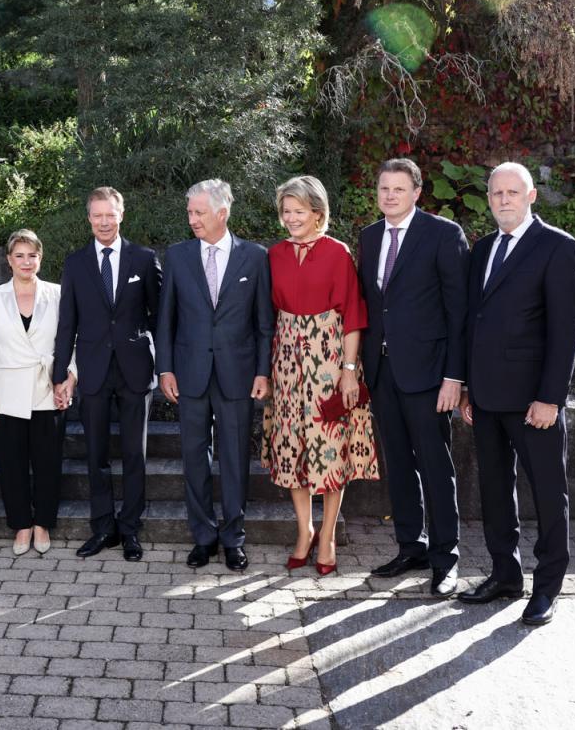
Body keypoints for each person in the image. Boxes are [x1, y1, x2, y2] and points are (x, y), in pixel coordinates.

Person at [458, 162, 575, 626]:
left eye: (513, 192)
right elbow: (476, 323)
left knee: (549, 494)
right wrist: (470, 388)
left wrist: (551, 398)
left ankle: (547, 587)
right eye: (496, 193)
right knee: (494, 491)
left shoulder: (557, 247)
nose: (504, 199)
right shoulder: (484, 248)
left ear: (532, 196)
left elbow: (564, 331)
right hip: (487, 399)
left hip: (535, 402)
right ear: (489, 198)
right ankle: (505, 574)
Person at [358, 158, 469, 597]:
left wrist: (454, 376)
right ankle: (412, 546)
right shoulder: (369, 237)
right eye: (384, 188)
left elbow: (458, 312)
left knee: (436, 466)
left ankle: (446, 559)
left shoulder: (443, 235)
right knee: (399, 465)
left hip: (429, 374)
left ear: (416, 192)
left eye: (398, 189)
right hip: (382, 371)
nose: (389, 196)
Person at [262, 175, 379, 575]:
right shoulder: (273, 254)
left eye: (299, 211)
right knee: (291, 447)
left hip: (329, 360)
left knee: (330, 449)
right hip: (286, 363)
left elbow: (353, 316)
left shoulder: (337, 252)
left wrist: (349, 372)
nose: (291, 218)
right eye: (286, 211)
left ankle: (327, 534)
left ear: (318, 213)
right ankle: (304, 529)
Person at [156, 180, 272, 571]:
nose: (192, 219)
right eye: (189, 212)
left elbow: (263, 324)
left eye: (199, 212)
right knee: (194, 458)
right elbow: (165, 319)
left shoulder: (255, 258)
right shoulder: (177, 256)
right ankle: (203, 537)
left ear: (222, 213)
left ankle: (234, 538)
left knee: (236, 458)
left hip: (237, 375)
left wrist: (262, 371)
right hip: (189, 374)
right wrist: (165, 368)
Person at [53, 186, 161, 563]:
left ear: (121, 214)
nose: (103, 221)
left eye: (109, 214)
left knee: (135, 454)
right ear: (88, 218)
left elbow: (159, 318)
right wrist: (60, 373)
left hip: (135, 371)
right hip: (93, 372)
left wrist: (166, 369)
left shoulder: (144, 259)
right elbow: (67, 323)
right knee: (96, 454)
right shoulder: (75, 263)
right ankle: (103, 527)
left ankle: (130, 529)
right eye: (96, 215)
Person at [0, 229, 75, 556]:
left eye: (31, 255)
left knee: (48, 462)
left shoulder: (59, 294)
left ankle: (42, 523)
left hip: (48, 389)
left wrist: (70, 380)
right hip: (6, 393)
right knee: (11, 463)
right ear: (8, 260)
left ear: (40, 257)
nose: (26, 261)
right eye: (19, 255)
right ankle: (21, 524)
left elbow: (71, 342)